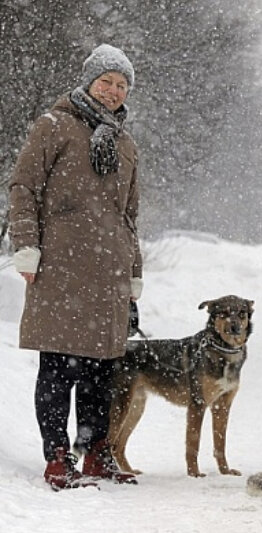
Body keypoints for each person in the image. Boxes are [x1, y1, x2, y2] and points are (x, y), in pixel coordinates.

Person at [8, 44, 143, 490]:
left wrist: (134, 270)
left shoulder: (125, 146)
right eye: (106, 81)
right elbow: (23, 187)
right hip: (61, 267)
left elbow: (129, 216)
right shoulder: (54, 125)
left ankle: (96, 452)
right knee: (59, 367)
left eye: (121, 85)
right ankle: (57, 456)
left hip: (109, 272)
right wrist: (26, 246)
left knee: (100, 370)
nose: (113, 91)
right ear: (89, 81)